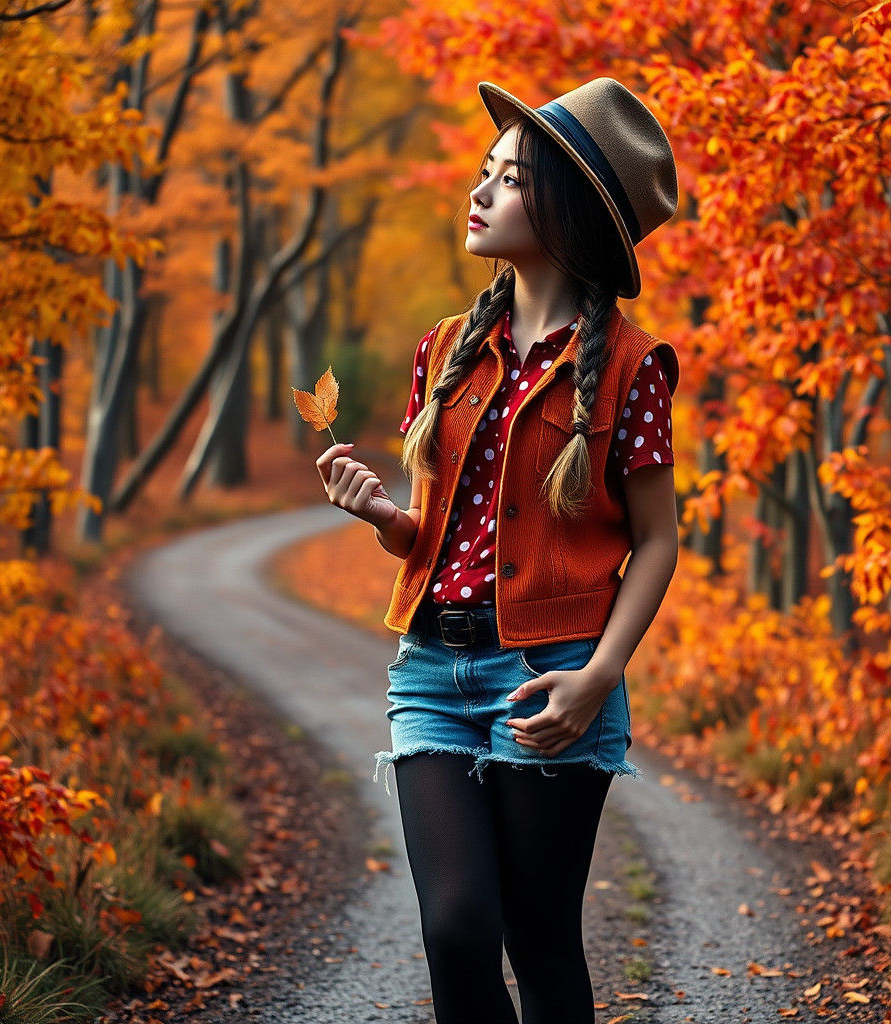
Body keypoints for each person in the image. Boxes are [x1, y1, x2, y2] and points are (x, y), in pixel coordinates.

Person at [316, 77, 680, 1024]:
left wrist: (598, 678)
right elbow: (432, 531)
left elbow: (656, 541)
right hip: (432, 667)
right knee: (458, 929)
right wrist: (381, 516)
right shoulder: (444, 348)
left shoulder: (635, 367)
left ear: (566, 210)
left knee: (540, 938)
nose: (478, 192)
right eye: (483, 172)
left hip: (554, 679)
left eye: (508, 178)